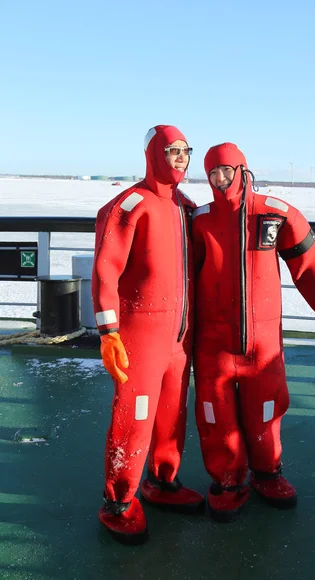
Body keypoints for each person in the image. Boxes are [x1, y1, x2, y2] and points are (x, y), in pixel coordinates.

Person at [192, 142, 315, 523]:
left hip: (262, 346)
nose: (220, 179)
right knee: (217, 417)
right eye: (212, 173)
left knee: (267, 411)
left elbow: (308, 261)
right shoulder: (199, 220)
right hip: (213, 345)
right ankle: (227, 482)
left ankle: (267, 474)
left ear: (243, 171)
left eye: (226, 171)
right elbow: (172, 274)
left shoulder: (274, 213)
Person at [92, 125, 204, 544]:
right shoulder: (130, 205)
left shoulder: (187, 207)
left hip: (179, 337)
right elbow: (106, 269)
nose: (179, 158)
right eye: (171, 150)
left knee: (172, 414)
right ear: (154, 152)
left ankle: (162, 481)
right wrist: (109, 331)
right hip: (140, 335)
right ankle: (118, 502)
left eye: (185, 151)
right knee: (134, 419)